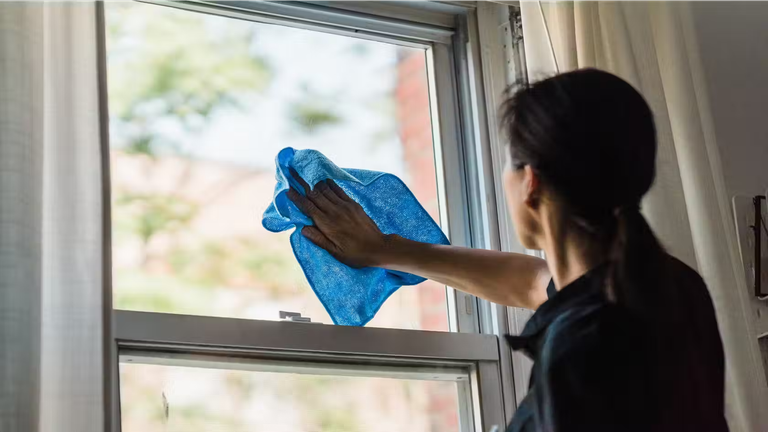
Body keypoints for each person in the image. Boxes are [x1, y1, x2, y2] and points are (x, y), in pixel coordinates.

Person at [287, 68, 728, 431]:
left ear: (530, 181)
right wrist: (385, 250)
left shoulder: (585, 345)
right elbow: (533, 281)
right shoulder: (668, 285)